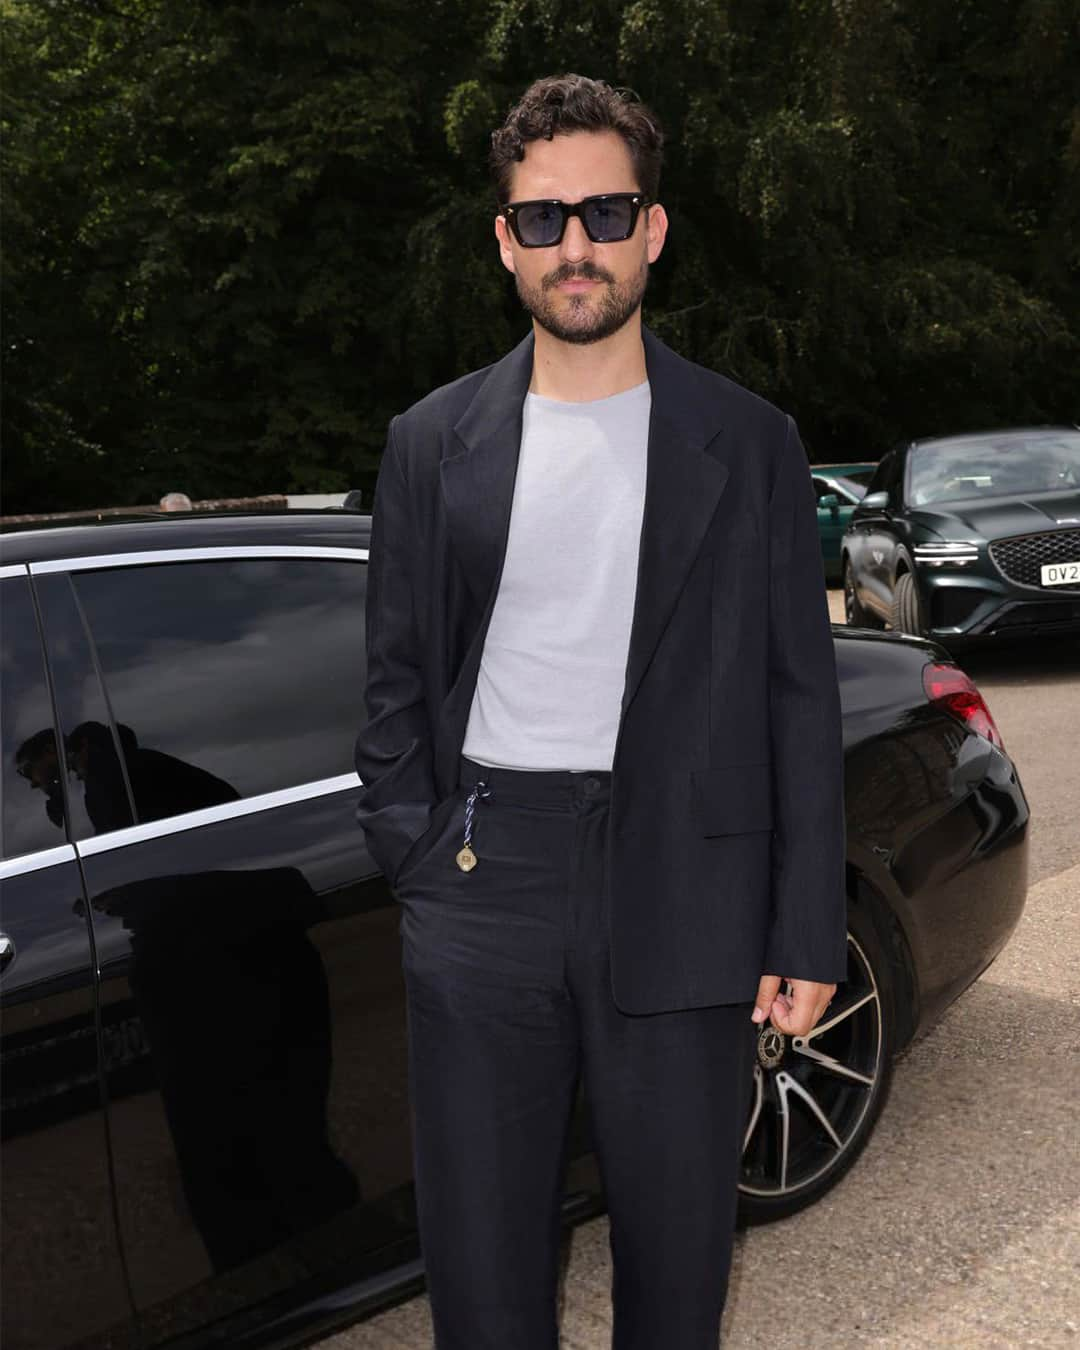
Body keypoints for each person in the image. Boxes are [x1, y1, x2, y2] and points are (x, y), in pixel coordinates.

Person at [354, 73, 846, 1350]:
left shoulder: (749, 442)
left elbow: (799, 693)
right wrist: (417, 857)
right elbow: (396, 682)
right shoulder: (428, 441)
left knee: (679, 1271)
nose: (576, 246)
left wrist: (804, 924)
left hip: (687, 881)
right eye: (542, 218)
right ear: (504, 242)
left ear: (655, 230)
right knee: (482, 1275)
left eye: (606, 213)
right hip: (482, 878)